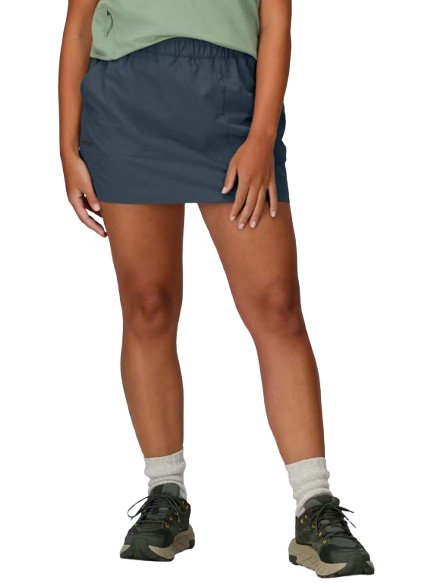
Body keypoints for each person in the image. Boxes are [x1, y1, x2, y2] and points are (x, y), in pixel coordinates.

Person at [59, 0, 374, 577]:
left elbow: (275, 20)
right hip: (125, 105)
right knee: (148, 306)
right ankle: (165, 495)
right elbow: (79, 25)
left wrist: (261, 136)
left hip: (229, 100)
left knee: (277, 309)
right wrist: (67, 146)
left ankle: (315, 504)